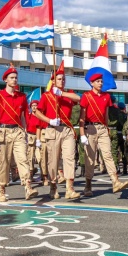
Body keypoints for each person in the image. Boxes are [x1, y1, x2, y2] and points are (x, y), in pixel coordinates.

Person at [0, 67, 38, 202]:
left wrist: (25, 132)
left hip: (18, 131)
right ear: (5, 80)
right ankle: (1, 190)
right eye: (11, 78)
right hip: (3, 131)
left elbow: (22, 116)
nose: (14, 80)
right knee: (3, 162)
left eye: (16, 77)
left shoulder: (21, 97)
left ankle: (28, 186)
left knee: (23, 159)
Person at [79, 73, 128, 196]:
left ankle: (115, 181)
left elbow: (106, 114)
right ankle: (88, 184)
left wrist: (106, 128)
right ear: (92, 83)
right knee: (90, 158)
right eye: (98, 81)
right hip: (90, 128)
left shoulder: (106, 96)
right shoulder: (86, 96)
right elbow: (82, 116)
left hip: (102, 128)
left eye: (101, 81)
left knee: (108, 154)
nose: (100, 83)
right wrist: (82, 134)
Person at [36, 68, 82, 200]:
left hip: (67, 129)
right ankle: (53, 186)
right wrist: (49, 120)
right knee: (53, 160)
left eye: (63, 79)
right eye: (59, 79)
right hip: (53, 129)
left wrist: (62, 93)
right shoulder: (46, 96)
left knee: (69, 158)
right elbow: (37, 112)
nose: (62, 81)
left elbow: (79, 98)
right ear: (53, 81)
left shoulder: (68, 94)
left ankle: (69, 188)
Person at [27, 100, 42, 180]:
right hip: (30, 136)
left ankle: (43, 174)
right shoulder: (28, 116)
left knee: (39, 156)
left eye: (35, 105)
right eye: (32, 105)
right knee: (30, 156)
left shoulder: (41, 116)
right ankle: (31, 173)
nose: (34, 107)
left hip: (39, 136)